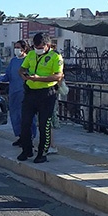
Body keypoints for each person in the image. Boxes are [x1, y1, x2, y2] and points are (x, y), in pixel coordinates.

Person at [18, 33, 64, 163]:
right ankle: (26, 150)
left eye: (40, 47)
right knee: (25, 122)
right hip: (30, 92)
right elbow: (21, 69)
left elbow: (58, 76)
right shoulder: (31, 54)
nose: (37, 49)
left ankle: (42, 153)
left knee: (44, 125)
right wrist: (24, 76)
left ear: (47, 45)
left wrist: (40, 79)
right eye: (35, 46)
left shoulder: (55, 56)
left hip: (46, 94)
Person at [0, 40, 36, 147]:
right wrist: (0, 79)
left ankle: (29, 138)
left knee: (27, 116)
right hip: (14, 93)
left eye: (18, 47)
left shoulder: (29, 60)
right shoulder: (13, 61)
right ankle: (20, 136)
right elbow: (8, 75)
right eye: (15, 47)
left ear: (24, 49)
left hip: (25, 92)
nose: (16, 49)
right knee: (15, 115)